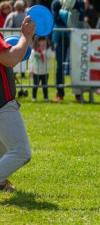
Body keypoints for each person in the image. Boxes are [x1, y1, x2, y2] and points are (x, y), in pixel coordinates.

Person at [0, 16, 35, 192]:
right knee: (21, 152)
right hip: (2, 105)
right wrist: (26, 36)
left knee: (3, 149)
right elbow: (10, 59)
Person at [51, 0, 85, 101]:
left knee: (76, 64)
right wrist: (71, 16)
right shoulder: (56, 2)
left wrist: (66, 16)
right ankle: (60, 93)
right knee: (59, 65)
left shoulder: (79, 1)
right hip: (60, 37)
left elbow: (81, 17)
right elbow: (55, 18)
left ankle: (78, 93)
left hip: (75, 37)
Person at [28, 36, 55, 102]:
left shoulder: (48, 49)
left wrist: (44, 51)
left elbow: (50, 56)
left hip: (45, 71)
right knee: (35, 85)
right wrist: (30, 70)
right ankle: (34, 97)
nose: (42, 42)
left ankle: (46, 97)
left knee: (45, 85)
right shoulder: (34, 50)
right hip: (36, 71)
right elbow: (31, 60)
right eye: (41, 41)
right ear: (37, 42)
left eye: (44, 41)